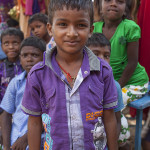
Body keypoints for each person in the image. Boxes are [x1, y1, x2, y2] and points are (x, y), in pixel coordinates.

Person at [21, 0, 118, 149]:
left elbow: (110, 118)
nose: (72, 33)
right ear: (50, 28)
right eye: (63, 24)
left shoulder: (103, 71)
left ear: (91, 30)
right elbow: (34, 122)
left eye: (81, 25)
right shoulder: (38, 75)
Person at [93, 0, 149, 107]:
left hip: (134, 82)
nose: (113, 3)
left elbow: (132, 63)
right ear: (100, 7)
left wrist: (115, 88)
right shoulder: (94, 28)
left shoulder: (130, 28)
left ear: (125, 10)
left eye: (120, 1)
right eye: (108, 0)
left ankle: (120, 123)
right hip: (109, 82)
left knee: (112, 103)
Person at [0, 36, 46, 150]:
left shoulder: (49, 83)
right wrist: (6, 146)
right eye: (25, 55)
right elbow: (6, 113)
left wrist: (25, 139)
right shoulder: (16, 82)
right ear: (20, 58)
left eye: (35, 55)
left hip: (40, 142)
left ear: (45, 57)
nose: (29, 59)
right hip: (15, 140)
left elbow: (48, 116)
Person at [86, 33, 130, 149]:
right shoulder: (76, 83)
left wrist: (112, 145)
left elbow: (116, 120)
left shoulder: (114, 86)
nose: (102, 60)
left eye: (106, 56)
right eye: (95, 54)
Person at [0, 27, 24, 107]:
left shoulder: (27, 64)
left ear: (22, 43)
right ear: (2, 45)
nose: (11, 47)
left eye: (15, 43)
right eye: (6, 43)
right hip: (5, 109)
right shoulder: (1, 67)